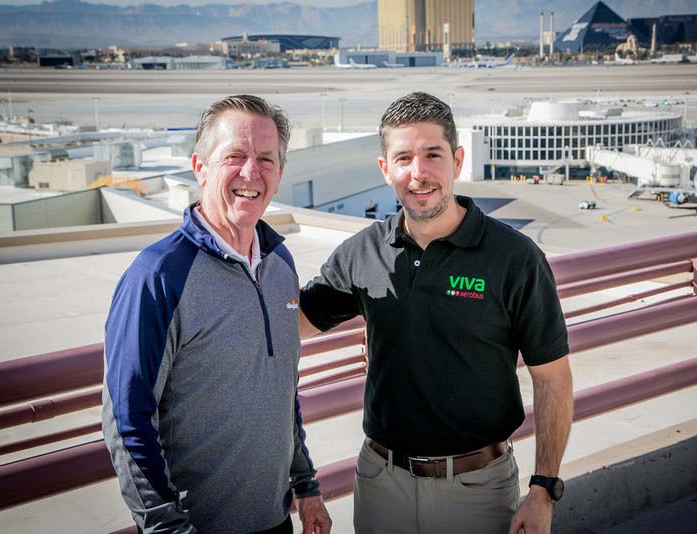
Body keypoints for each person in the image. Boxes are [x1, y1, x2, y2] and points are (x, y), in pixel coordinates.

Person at [299, 92, 573, 534]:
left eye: (432, 155)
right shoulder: (361, 253)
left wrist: (543, 489)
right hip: (381, 482)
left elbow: (553, 378)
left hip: (478, 488)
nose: (418, 173)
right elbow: (292, 324)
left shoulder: (514, 258)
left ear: (457, 160)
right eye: (403, 157)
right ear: (385, 169)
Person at [102, 95, 332, 534]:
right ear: (200, 167)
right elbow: (126, 418)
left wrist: (306, 485)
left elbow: (281, 390)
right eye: (235, 156)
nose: (251, 172)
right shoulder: (158, 277)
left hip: (276, 521)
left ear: (280, 174)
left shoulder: (280, 266)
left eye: (266, 158)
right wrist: (166, 527)